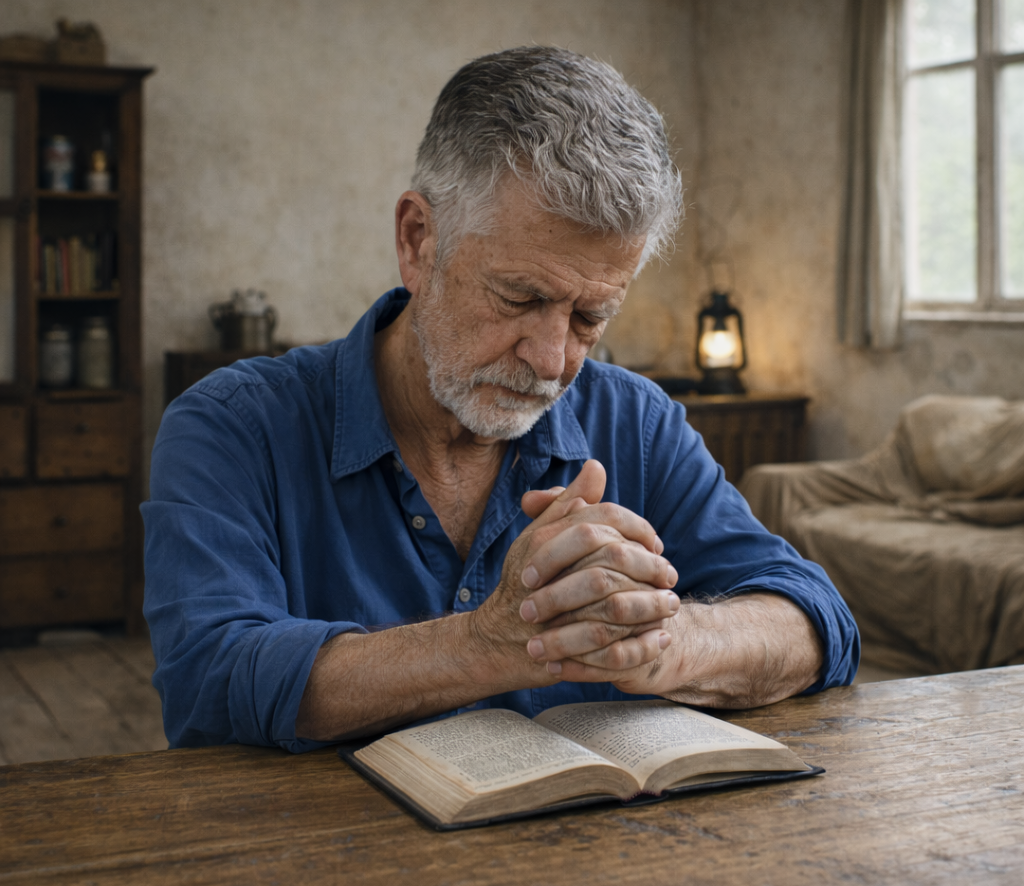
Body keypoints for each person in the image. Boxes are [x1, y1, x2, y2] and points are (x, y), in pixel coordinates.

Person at [143, 46, 858, 751]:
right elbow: (208, 678)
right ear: (418, 240)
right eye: (520, 297)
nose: (551, 361)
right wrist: (491, 643)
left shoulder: (636, 421)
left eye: (591, 318)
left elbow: (816, 621)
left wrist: (663, 641)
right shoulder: (232, 427)